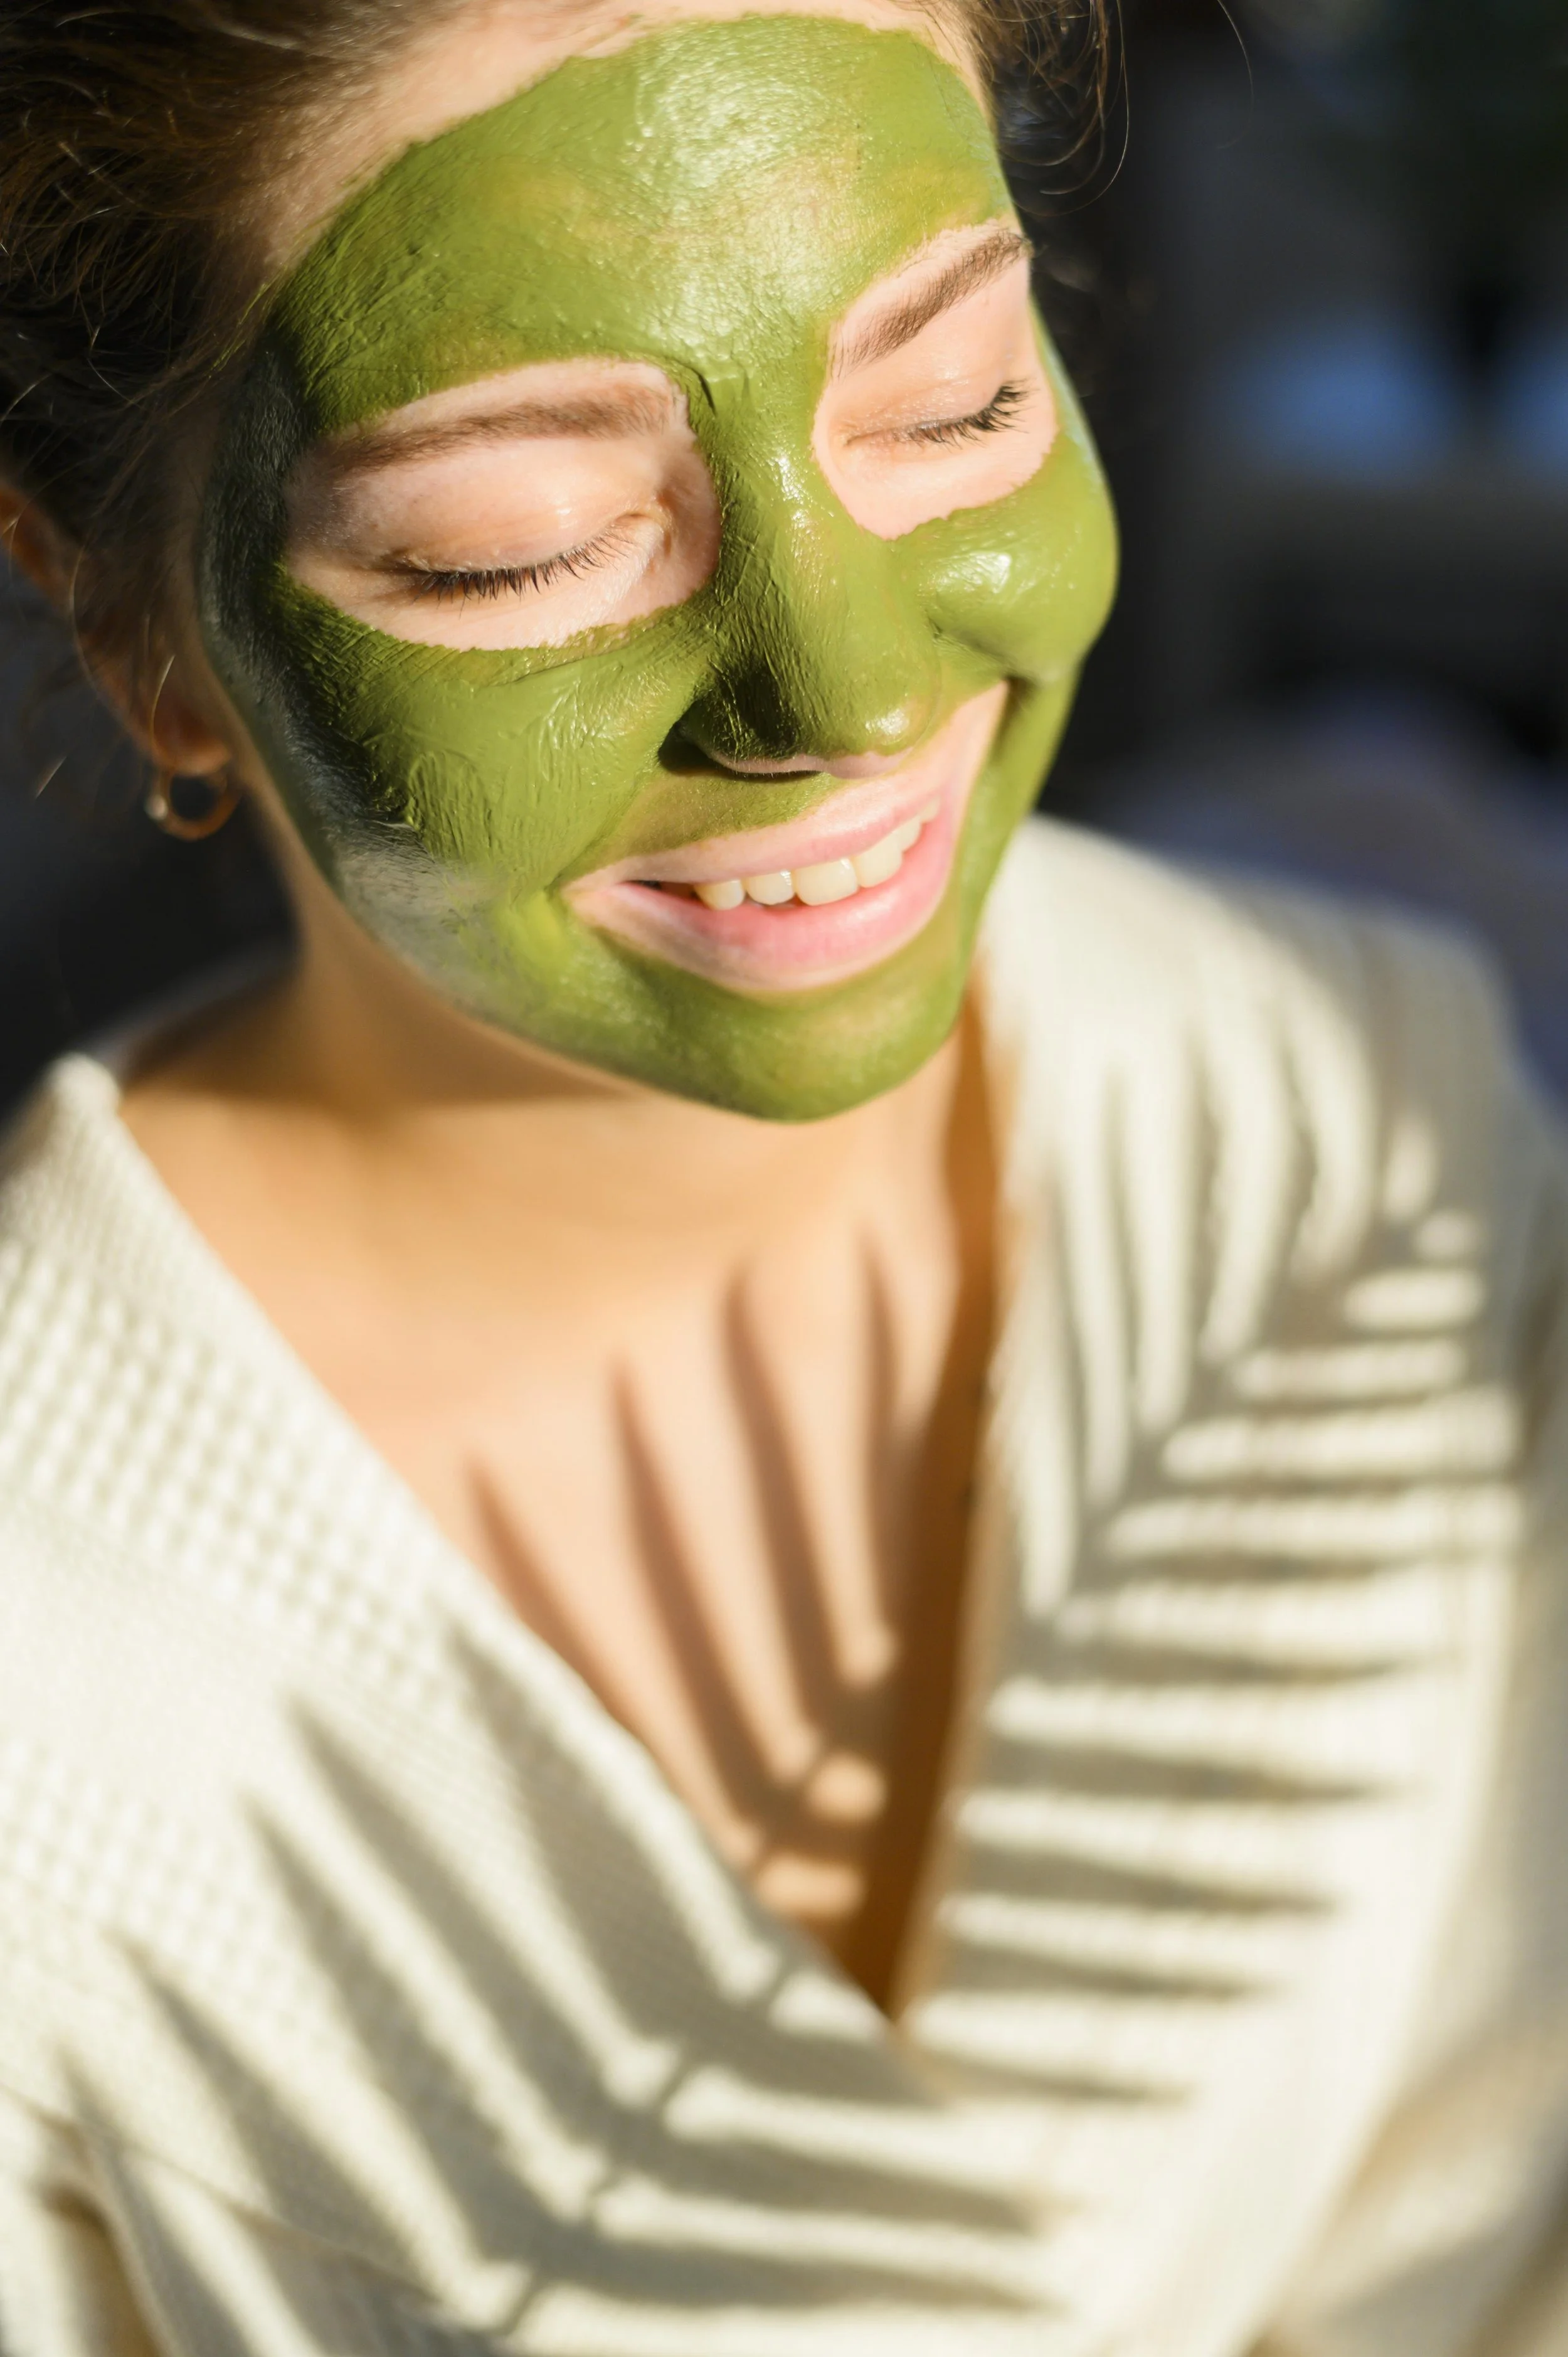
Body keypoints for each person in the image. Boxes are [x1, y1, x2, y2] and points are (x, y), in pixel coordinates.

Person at [0, 1, 1565, 2351]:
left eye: (955, 403)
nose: (840, 693)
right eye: (519, 549)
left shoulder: (1363, 1123)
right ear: (139, 631)